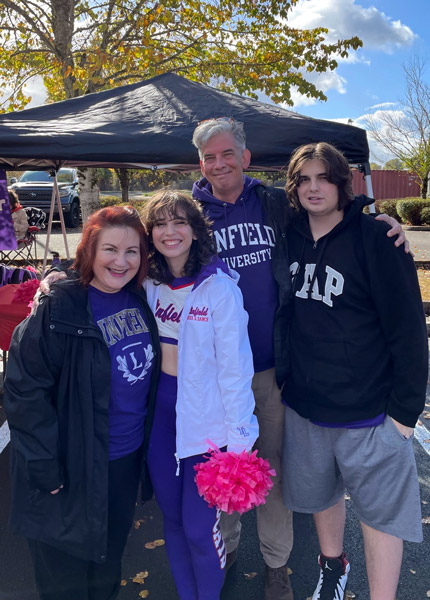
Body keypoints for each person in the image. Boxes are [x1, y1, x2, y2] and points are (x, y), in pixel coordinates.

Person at [191, 117, 407, 600]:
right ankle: (223, 555)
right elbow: (151, 252)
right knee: (219, 467)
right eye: (210, 157)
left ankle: (277, 565)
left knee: (271, 471)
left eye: (228, 154)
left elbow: (330, 203)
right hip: (214, 372)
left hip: (272, 366)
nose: (220, 164)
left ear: (245, 158)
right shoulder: (192, 213)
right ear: (199, 163)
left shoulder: (273, 203)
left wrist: (379, 219)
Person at [273, 142, 427, 600]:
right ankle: (332, 568)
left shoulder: (378, 238)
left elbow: (408, 330)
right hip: (306, 406)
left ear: (343, 183)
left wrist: (404, 416)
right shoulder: (288, 233)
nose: (313, 188)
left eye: (323, 178)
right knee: (322, 498)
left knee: (380, 516)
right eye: (304, 179)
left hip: (371, 411)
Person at [4, 205, 161, 600]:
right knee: (65, 580)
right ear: (88, 250)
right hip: (69, 468)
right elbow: (24, 390)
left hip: (122, 463)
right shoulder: (59, 307)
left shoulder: (138, 300)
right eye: (110, 249)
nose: (121, 261)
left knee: (105, 569)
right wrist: (45, 466)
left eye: (133, 251)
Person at [142, 189, 259, 600]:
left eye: (179, 222)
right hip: (161, 420)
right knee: (172, 521)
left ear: (195, 230)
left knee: (198, 527)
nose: (169, 232)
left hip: (207, 426)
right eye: (159, 224)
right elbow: (98, 274)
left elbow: (236, 369)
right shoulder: (148, 282)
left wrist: (240, 439)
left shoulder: (219, 288)